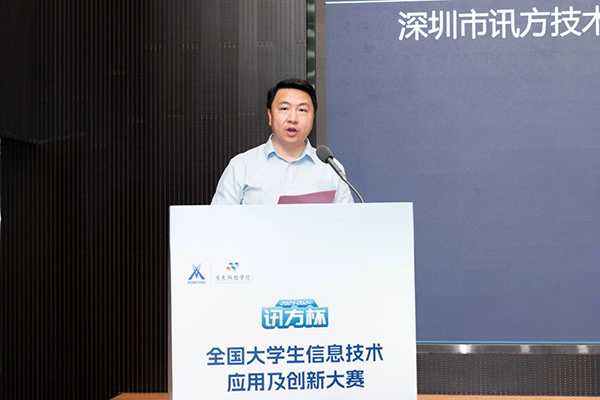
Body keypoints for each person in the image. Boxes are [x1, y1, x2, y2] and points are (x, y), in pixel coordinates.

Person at [211, 78, 353, 205]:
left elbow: (346, 221)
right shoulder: (242, 166)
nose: (293, 118)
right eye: (284, 109)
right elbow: (219, 221)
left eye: (302, 110)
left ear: (313, 118)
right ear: (270, 115)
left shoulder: (331, 169)